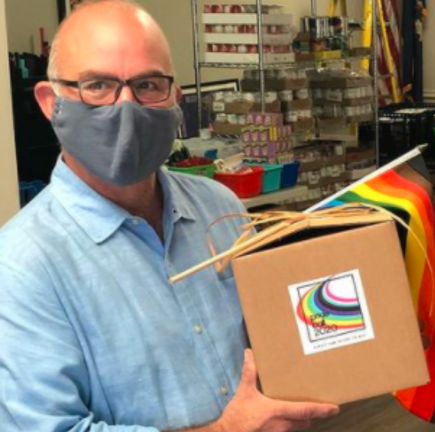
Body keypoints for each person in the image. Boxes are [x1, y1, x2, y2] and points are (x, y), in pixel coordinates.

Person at [0, 1, 339, 431]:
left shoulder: (221, 208)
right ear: (51, 102)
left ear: (176, 98)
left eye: (148, 84)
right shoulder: (19, 267)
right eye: (97, 85)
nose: (126, 107)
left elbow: (273, 339)